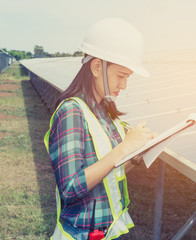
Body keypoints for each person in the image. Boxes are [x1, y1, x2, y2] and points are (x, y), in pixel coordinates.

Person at [44, 18, 156, 240]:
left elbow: (109, 172)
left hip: (106, 232)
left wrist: (135, 156)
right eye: (121, 76)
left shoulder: (105, 113)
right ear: (97, 67)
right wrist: (124, 148)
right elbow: (70, 188)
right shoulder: (71, 112)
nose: (124, 86)